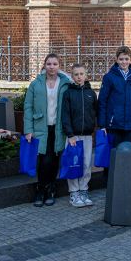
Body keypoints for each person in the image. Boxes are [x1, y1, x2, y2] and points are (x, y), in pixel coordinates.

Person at [23, 54, 71, 207]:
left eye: (55, 64)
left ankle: (51, 189)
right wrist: (28, 129)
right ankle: (41, 190)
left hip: (58, 129)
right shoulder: (36, 84)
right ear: (44, 65)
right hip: (41, 128)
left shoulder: (65, 84)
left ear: (59, 66)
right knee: (45, 161)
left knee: (55, 159)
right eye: (49, 64)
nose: (51, 67)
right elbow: (28, 107)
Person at [97, 46, 131, 177]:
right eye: (121, 59)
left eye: (126, 59)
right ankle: (110, 182)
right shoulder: (109, 77)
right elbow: (102, 102)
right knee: (112, 155)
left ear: (130, 59)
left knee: (126, 154)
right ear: (116, 60)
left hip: (129, 125)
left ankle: (124, 182)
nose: (124, 62)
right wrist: (102, 125)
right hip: (113, 125)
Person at [59, 64, 98, 208]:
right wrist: (70, 135)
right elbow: (65, 116)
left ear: (86, 75)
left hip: (87, 135)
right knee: (74, 163)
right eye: (76, 74)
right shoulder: (68, 94)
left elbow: (95, 112)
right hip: (73, 136)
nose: (79, 76)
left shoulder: (91, 93)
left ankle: (83, 190)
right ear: (72, 76)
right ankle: (74, 192)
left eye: (82, 74)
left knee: (86, 163)